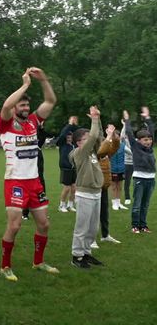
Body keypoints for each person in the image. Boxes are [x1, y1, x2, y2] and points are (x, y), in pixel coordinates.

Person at [0, 67, 58, 282]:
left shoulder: (34, 121)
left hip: (34, 182)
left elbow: (51, 101)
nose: (26, 107)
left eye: (27, 104)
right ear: (15, 107)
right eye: (22, 104)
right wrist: (24, 85)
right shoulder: (6, 123)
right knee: (14, 226)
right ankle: (5, 266)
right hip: (15, 181)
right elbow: (6, 106)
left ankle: (38, 261)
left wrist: (43, 80)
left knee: (44, 224)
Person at [70, 106, 105, 269]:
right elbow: (93, 138)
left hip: (96, 193)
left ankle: (86, 253)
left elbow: (98, 138)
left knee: (92, 228)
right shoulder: (79, 153)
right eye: (86, 138)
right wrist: (94, 120)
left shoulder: (92, 152)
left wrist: (98, 119)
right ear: (79, 142)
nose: (90, 139)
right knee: (82, 228)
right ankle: (77, 256)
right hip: (85, 195)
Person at [124, 108, 156, 233]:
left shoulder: (150, 148)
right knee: (137, 205)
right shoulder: (135, 146)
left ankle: (143, 225)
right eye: (145, 140)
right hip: (140, 180)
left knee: (145, 205)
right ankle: (135, 226)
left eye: (149, 140)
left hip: (151, 180)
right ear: (139, 141)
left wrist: (147, 118)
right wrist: (127, 120)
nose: (148, 142)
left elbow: (151, 131)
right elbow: (129, 133)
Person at [96, 125, 122, 246]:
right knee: (93, 215)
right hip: (93, 188)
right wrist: (108, 137)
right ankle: (90, 240)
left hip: (103, 187)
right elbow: (101, 151)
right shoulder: (95, 153)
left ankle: (105, 235)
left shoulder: (106, 153)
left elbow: (116, 146)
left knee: (104, 213)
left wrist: (115, 137)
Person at [56, 117, 78, 213]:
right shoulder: (62, 144)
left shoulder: (74, 146)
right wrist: (69, 125)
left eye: (70, 137)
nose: (69, 138)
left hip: (74, 168)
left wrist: (74, 125)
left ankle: (70, 204)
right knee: (67, 187)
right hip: (66, 168)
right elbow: (63, 134)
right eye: (67, 137)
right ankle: (62, 205)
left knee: (74, 187)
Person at [109, 128, 127, 211]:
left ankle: (119, 203)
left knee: (119, 187)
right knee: (113, 186)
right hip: (112, 169)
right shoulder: (109, 146)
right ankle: (114, 203)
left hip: (121, 169)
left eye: (116, 137)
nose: (115, 138)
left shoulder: (123, 145)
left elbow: (131, 153)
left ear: (119, 137)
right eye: (114, 137)